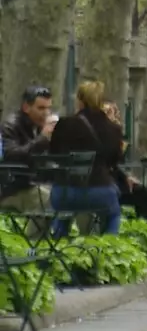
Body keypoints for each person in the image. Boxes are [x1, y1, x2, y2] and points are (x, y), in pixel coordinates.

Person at [49, 80, 125, 235]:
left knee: (63, 212)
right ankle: (109, 248)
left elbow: (54, 155)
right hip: (99, 190)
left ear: (79, 100)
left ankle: (57, 247)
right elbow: (115, 161)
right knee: (113, 214)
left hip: (65, 191)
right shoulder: (113, 128)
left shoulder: (64, 124)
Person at [0, 84, 56, 209]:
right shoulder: (11, 126)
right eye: (41, 108)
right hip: (14, 188)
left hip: (40, 183)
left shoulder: (39, 125)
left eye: (49, 108)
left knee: (75, 196)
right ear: (26, 107)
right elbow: (11, 156)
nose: (46, 113)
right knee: (51, 200)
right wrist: (43, 139)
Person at [102, 101, 147, 222]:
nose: (108, 116)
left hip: (118, 179)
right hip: (104, 181)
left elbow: (118, 163)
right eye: (104, 112)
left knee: (145, 193)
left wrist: (126, 176)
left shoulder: (117, 136)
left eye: (110, 112)